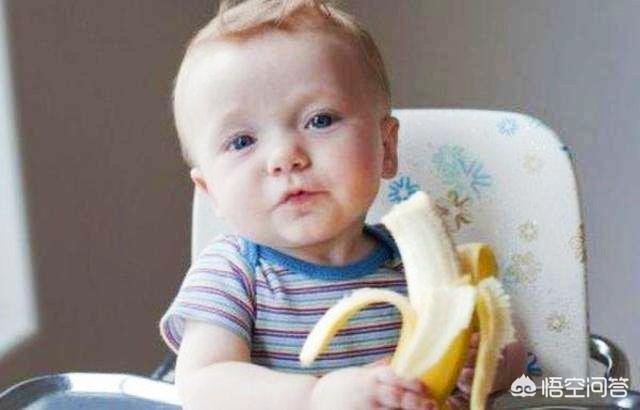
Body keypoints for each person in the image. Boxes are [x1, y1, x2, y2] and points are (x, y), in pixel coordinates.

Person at [160, 0, 527, 408]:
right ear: (211, 192)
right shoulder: (232, 272)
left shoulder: (415, 263)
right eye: (242, 141)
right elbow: (204, 384)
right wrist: (316, 396)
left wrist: (493, 363)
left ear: (386, 147)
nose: (285, 157)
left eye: (319, 120)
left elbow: (511, 351)